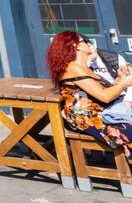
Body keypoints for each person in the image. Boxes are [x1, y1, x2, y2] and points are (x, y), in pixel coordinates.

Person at [49, 30, 132, 161]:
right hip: (86, 116)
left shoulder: (85, 68)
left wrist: (120, 79)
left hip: (103, 110)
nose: (89, 43)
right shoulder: (73, 68)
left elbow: (103, 91)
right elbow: (105, 96)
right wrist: (123, 84)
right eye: (85, 41)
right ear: (75, 45)